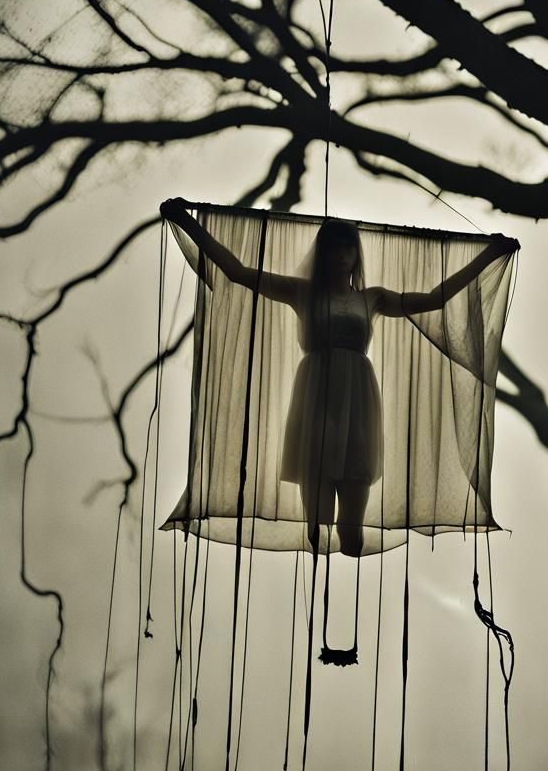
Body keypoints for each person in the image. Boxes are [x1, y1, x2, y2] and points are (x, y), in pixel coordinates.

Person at [160, 199, 518, 557]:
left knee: (351, 534)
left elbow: (433, 300)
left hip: (359, 396)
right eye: (333, 247)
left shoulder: (372, 299)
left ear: (355, 255)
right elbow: (237, 271)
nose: (341, 253)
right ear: (323, 253)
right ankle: (316, 541)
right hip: (316, 394)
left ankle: (345, 542)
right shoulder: (302, 292)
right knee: (317, 521)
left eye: (348, 246)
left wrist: (488, 256)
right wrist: (188, 222)